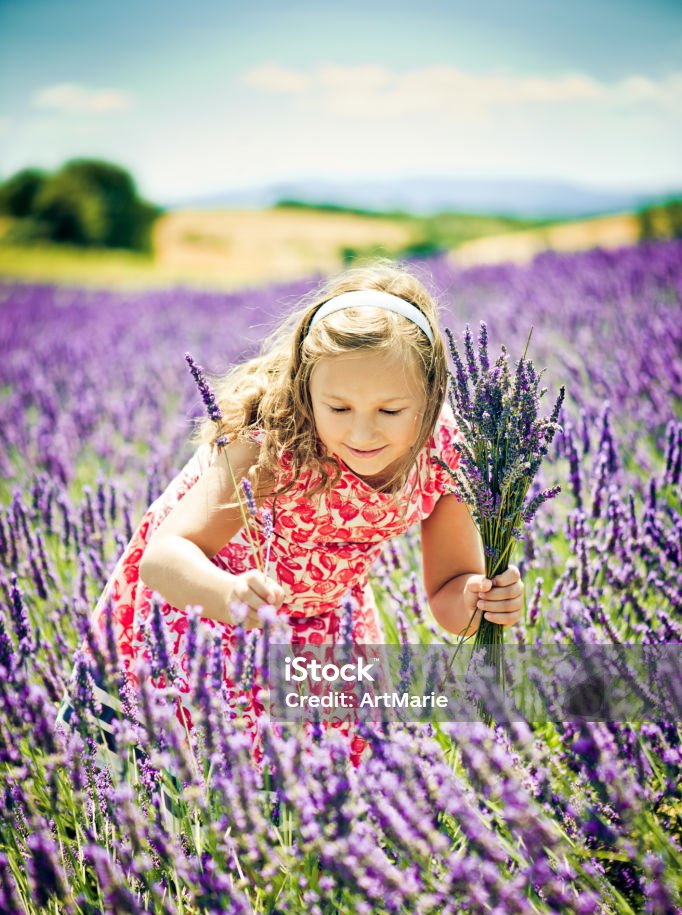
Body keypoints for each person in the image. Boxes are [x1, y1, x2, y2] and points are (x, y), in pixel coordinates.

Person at [57, 259, 524, 793]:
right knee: (185, 789)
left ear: (432, 398)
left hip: (328, 625)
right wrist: (229, 594)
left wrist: (480, 602)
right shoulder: (273, 444)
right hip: (209, 612)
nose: (363, 431)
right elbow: (164, 557)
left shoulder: (446, 457)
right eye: (339, 407)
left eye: (391, 411)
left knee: (336, 803)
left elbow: (448, 591)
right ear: (306, 390)